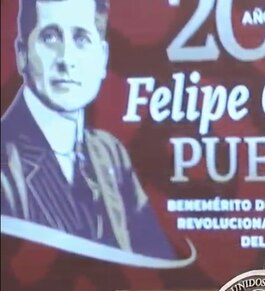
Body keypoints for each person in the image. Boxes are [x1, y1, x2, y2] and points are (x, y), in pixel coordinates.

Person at [0, 0, 175, 260]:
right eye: (50, 37)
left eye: (81, 39)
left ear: (102, 58)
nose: (66, 59)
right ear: (22, 54)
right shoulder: (5, 162)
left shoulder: (110, 153)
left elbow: (158, 263)